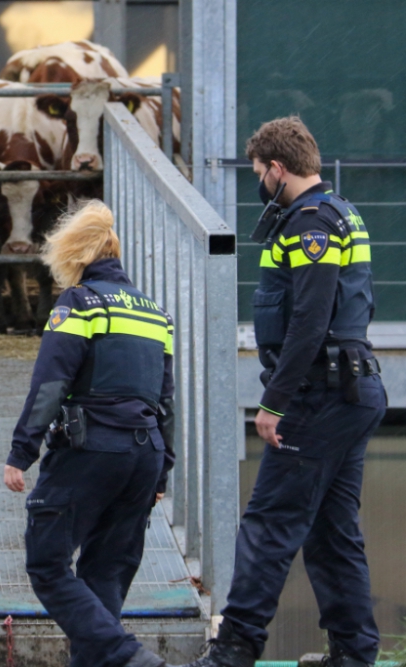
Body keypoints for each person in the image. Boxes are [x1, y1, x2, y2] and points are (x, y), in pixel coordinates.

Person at [182, 117, 385, 667]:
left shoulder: (310, 223)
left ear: (277, 168)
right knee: (330, 530)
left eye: (258, 173)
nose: (258, 184)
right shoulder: (342, 211)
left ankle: (234, 649)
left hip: (320, 395)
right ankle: (354, 652)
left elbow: (311, 320)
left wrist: (274, 401)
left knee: (269, 523)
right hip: (352, 389)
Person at [4, 201, 175, 667]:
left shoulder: (79, 302)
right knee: (105, 577)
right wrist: (163, 471)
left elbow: (52, 383)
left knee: (47, 564)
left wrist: (22, 451)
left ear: (74, 258)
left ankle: (126, 656)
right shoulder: (155, 314)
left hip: (90, 449)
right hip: (145, 455)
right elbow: (166, 400)